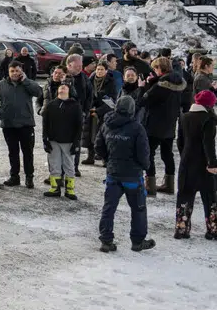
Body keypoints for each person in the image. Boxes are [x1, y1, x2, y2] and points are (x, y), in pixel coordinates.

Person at [95, 93, 154, 252]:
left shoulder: (107, 124)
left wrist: (108, 161)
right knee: (138, 209)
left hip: (113, 174)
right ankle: (137, 241)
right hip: (132, 176)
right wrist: (144, 166)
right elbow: (144, 153)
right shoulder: (137, 128)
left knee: (109, 207)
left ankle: (106, 240)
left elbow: (98, 146)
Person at [175, 90, 217, 240]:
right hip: (204, 164)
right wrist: (212, 163)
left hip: (187, 162)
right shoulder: (208, 119)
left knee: (185, 195)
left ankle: (181, 229)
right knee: (210, 196)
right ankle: (214, 229)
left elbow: (180, 141)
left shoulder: (184, 117)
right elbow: (208, 144)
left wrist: (185, 155)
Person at [140, 56, 188, 197]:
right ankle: (169, 184)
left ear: (160, 68)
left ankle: (150, 185)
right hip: (170, 123)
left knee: (149, 154)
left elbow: (145, 101)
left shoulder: (160, 86)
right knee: (167, 154)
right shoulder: (178, 82)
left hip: (155, 124)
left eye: (155, 68)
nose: (154, 71)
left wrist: (144, 87)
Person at [0, 63, 44, 188]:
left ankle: (29, 177)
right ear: (8, 71)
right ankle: (14, 176)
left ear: (21, 71)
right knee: (13, 152)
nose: (15, 73)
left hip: (26, 124)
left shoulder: (28, 84)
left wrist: (26, 81)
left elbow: (39, 93)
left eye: (17, 71)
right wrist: (1, 113)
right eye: (12, 71)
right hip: (8, 124)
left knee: (28, 152)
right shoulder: (0, 85)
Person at [41, 81, 84, 201]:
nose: (63, 88)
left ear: (69, 91)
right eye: (61, 87)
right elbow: (45, 123)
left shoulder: (75, 105)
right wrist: (45, 139)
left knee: (69, 165)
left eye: (65, 87)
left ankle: (69, 189)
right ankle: (55, 188)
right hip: (53, 140)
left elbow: (79, 125)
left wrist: (76, 141)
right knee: (54, 165)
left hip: (68, 141)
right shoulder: (51, 105)